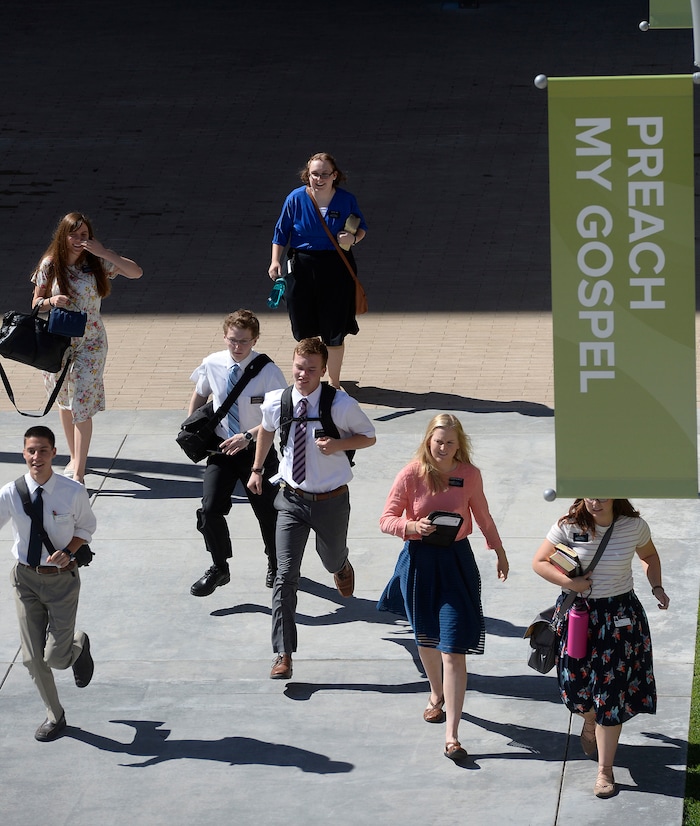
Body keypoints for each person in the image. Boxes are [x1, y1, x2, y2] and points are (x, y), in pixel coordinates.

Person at [378, 413, 509, 764]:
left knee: (453, 648)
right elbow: (386, 518)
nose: (444, 447)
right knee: (426, 640)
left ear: (458, 444)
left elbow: (482, 515)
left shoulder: (469, 475)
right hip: (419, 562)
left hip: (456, 562)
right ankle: (435, 693)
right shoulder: (411, 473)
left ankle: (452, 735)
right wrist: (411, 526)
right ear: (428, 441)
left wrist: (498, 550)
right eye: (439, 441)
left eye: (450, 442)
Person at [247, 337, 376, 679]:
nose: (303, 375)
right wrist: (257, 469)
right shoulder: (280, 400)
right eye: (299, 367)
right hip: (290, 499)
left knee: (331, 556)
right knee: (285, 576)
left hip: (331, 499)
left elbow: (368, 436)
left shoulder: (340, 404)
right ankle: (283, 653)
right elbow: (265, 430)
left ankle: (340, 565)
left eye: (311, 369)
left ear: (322, 371)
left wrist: (338, 444)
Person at [532, 498, 669, 798]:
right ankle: (589, 719)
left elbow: (649, 555)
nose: (596, 500)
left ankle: (605, 771)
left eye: (603, 492)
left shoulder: (633, 526)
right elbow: (539, 562)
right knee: (576, 690)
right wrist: (574, 583)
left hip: (620, 618)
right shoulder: (567, 526)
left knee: (611, 695)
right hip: (577, 616)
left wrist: (656, 586)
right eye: (590, 492)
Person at [31, 212, 143, 484]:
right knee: (65, 399)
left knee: (81, 401)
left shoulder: (96, 262)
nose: (79, 240)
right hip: (58, 342)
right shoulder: (50, 264)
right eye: (74, 234)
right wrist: (51, 301)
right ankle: (74, 457)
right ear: (63, 236)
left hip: (90, 342)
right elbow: (35, 303)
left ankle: (78, 472)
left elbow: (136, 272)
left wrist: (106, 253)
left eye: (84, 235)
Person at [0, 425, 97, 741]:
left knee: (55, 657)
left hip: (62, 582)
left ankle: (78, 644)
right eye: (31, 450)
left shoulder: (72, 492)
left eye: (43, 450)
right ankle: (55, 716)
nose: (36, 457)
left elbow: (86, 528)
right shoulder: (11, 492)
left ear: (54, 453)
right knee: (31, 658)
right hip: (25, 580)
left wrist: (68, 551)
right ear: (23, 453)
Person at [187, 309, 287, 595]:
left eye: (243, 341)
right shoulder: (213, 363)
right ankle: (220, 567)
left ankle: (276, 563)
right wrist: (192, 427)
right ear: (224, 337)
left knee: (268, 513)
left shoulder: (268, 372)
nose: (237, 347)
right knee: (209, 510)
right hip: (221, 450)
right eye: (232, 340)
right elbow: (201, 392)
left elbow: (280, 415)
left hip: (257, 449)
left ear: (254, 340)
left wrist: (247, 437)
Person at [268, 152, 367, 389]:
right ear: (307, 175)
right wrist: (275, 261)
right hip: (302, 264)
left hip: (336, 264)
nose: (319, 179)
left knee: (334, 329)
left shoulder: (346, 199)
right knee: (304, 326)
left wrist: (352, 238)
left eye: (324, 174)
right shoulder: (295, 198)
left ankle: (333, 384)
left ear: (334, 176)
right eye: (314, 174)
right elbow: (280, 233)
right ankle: (310, 378)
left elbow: (361, 227)